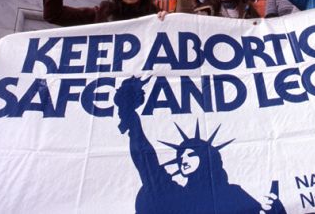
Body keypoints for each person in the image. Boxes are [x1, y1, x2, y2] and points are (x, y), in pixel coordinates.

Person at [114, 77, 285, 213]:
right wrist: (128, 109)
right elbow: (145, 158)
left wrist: (276, 210)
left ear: (207, 157)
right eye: (180, 155)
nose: (183, 158)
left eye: (191, 154)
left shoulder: (232, 194)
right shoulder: (171, 193)